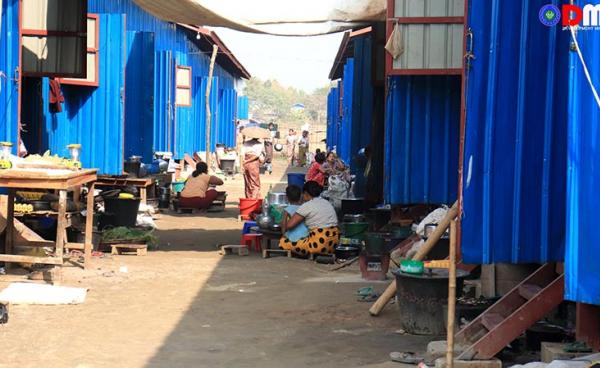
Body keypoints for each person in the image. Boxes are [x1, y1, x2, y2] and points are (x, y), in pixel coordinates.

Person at [279, 181, 339, 256]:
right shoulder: (326, 202)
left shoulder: (307, 206)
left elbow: (289, 226)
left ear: (306, 193)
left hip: (319, 243)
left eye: (303, 194)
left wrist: (285, 215)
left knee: (284, 242)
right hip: (334, 243)